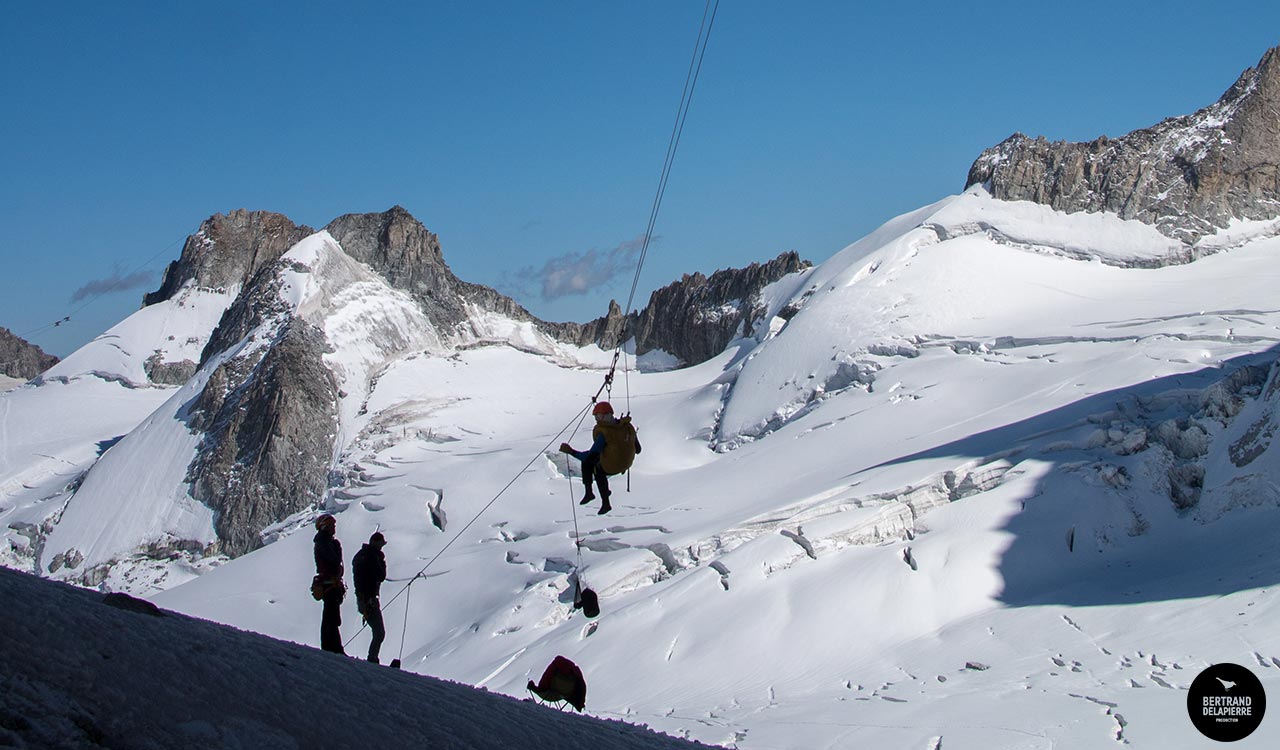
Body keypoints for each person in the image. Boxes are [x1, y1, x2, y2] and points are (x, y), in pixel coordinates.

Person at [559, 401, 641, 515]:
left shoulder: (604, 432)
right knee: (594, 461)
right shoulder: (628, 427)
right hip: (627, 463)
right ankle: (599, 493)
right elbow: (638, 449)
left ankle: (601, 500)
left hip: (612, 465)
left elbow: (590, 456)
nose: (597, 419)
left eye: (598, 416)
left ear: (605, 416)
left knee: (593, 466)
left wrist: (571, 451)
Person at [351, 531, 388, 664]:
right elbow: (381, 576)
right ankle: (372, 658)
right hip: (369, 599)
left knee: (378, 631)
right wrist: (382, 561)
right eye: (380, 545)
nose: (381, 548)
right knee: (379, 632)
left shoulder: (361, 556)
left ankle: (373, 657)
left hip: (363, 598)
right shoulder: (372, 557)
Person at [313, 514, 346, 654]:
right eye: (332, 526)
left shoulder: (324, 541)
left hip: (329, 583)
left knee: (330, 615)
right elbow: (333, 560)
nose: (334, 528)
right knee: (331, 616)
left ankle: (331, 646)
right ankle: (332, 647)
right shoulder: (324, 542)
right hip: (329, 583)